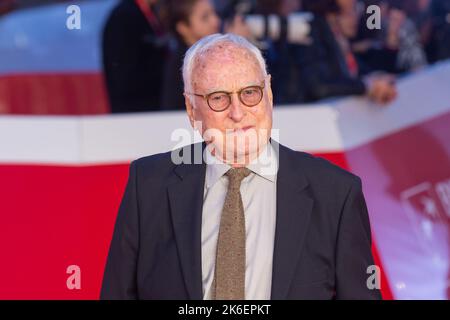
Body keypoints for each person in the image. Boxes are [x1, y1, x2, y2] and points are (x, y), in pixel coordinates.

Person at [100, 33, 381, 300]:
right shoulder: (148, 186)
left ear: (269, 93)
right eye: (219, 98)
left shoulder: (335, 194)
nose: (237, 113)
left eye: (250, 92)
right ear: (191, 108)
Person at [102, 0, 167, 113]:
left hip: (154, 109)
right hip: (134, 115)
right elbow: (123, 77)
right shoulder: (123, 16)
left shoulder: (153, 12)